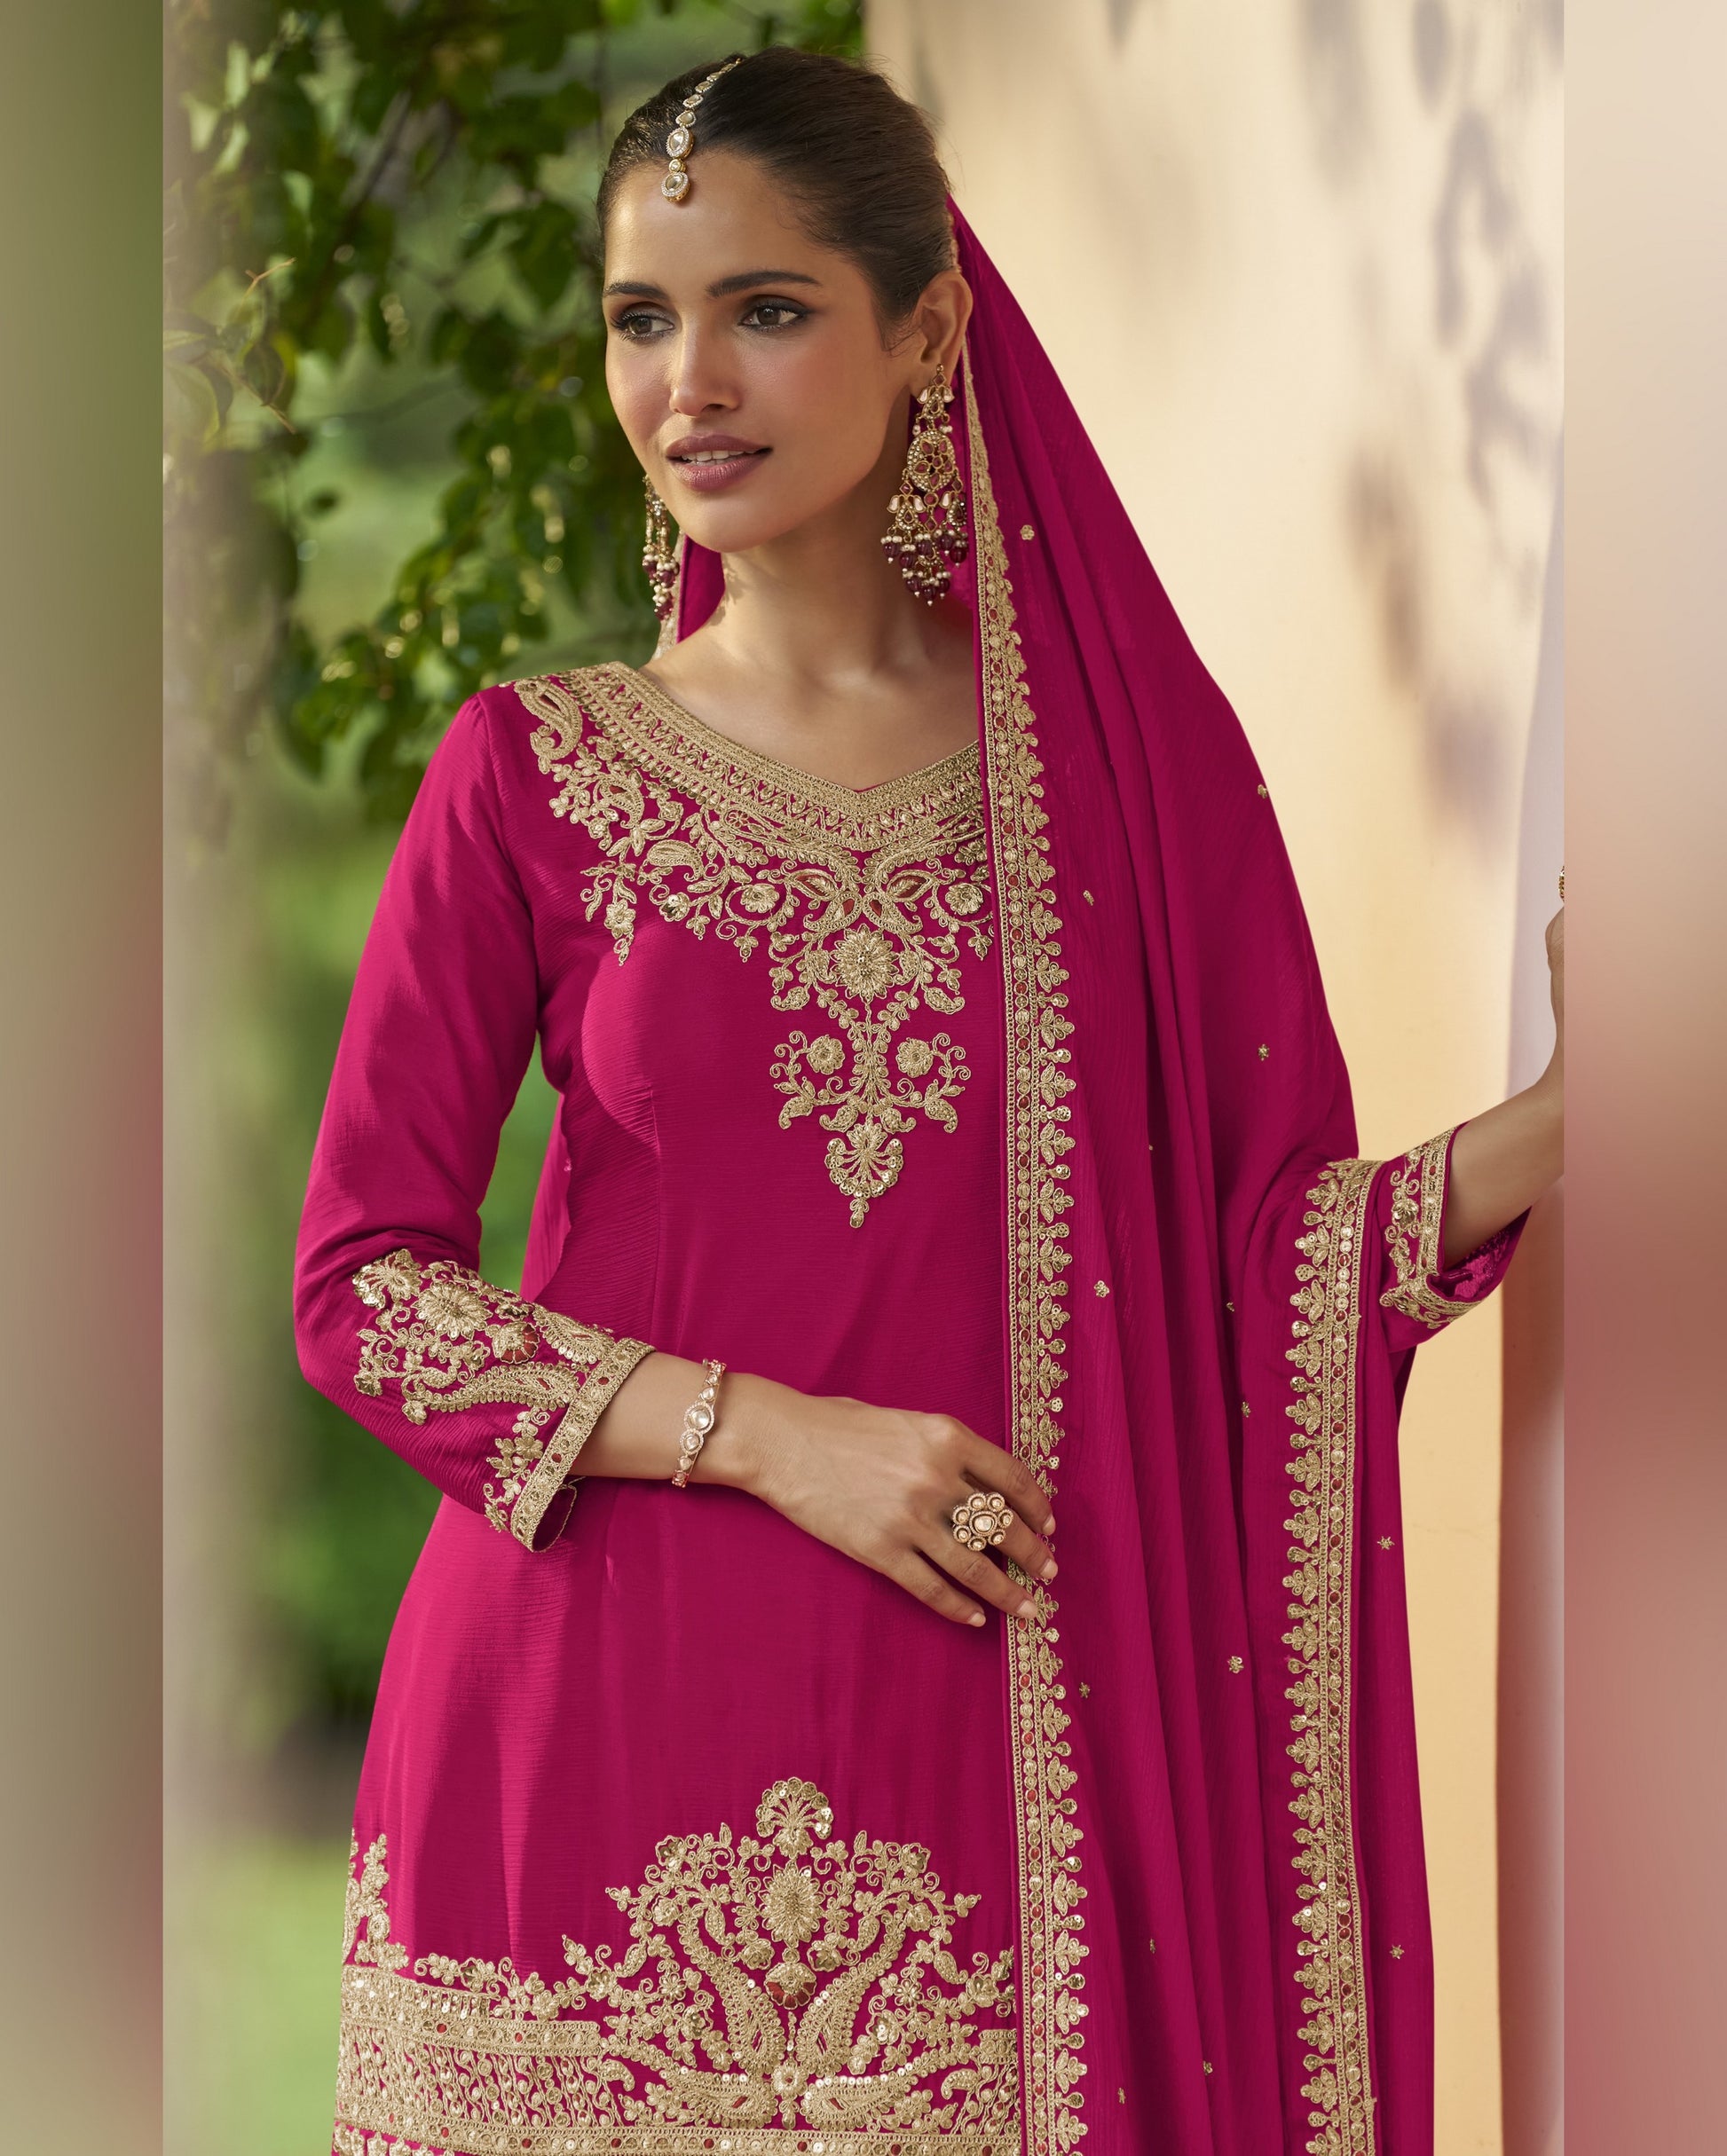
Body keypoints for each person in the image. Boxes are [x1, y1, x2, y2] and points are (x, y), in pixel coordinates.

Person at [295, 46, 1563, 2156]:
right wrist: (776, 1436)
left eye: (765, 307)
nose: (687, 378)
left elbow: (1253, 1283)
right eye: (640, 316)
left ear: (926, 329)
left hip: (997, 1762)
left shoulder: (1124, 788)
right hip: (574, 1751)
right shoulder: (526, 770)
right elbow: (363, 1292)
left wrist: (1582, 1110)